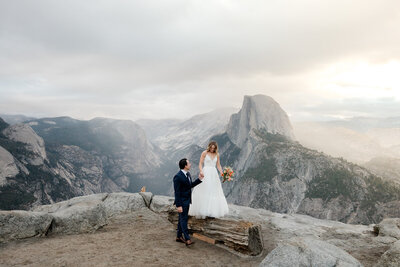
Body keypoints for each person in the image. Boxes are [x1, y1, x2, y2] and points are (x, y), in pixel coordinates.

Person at [189, 141, 229, 219]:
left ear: (215, 148)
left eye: (214, 148)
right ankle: (202, 209)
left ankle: (212, 211)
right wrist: (201, 171)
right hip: (206, 172)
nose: (212, 149)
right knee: (205, 189)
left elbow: (218, 165)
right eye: (211, 148)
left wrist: (222, 173)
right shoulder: (204, 153)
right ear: (209, 147)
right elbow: (200, 163)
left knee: (214, 190)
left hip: (213, 173)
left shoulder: (217, 154)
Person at [173, 158, 204, 246]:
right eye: (189, 163)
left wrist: (199, 180)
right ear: (185, 166)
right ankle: (187, 239)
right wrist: (178, 205)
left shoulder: (188, 174)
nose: (190, 164)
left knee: (181, 219)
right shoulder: (178, 177)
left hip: (187, 201)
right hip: (182, 202)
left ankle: (179, 236)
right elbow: (177, 192)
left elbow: (189, 186)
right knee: (184, 220)